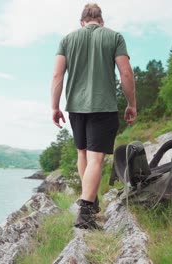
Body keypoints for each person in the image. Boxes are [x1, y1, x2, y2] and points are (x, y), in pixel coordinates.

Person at [50, 3, 136, 230]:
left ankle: (91, 200)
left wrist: (55, 107)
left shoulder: (67, 39)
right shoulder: (114, 37)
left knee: (83, 154)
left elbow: (58, 75)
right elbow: (125, 72)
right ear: (101, 21)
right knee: (96, 159)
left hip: (75, 107)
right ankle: (86, 212)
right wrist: (131, 103)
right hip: (103, 106)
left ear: (82, 22)